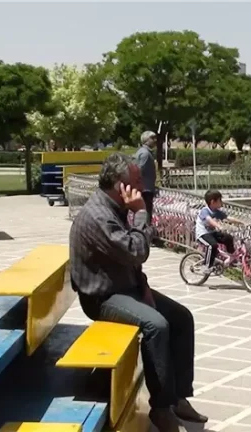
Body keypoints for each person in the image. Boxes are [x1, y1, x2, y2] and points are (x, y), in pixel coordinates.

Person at [69, 153, 206, 432]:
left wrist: (142, 287)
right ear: (120, 186)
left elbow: (132, 255)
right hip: (102, 297)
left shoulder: (113, 208)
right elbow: (137, 251)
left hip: (126, 286)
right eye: (136, 180)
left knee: (182, 317)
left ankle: (179, 396)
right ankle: (162, 407)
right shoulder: (98, 216)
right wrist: (141, 212)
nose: (142, 185)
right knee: (156, 325)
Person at [195, 190, 244, 274]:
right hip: (202, 234)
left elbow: (228, 218)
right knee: (212, 245)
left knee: (228, 238)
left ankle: (232, 258)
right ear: (213, 202)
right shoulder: (205, 211)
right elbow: (209, 220)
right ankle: (206, 266)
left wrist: (242, 223)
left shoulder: (217, 212)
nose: (221, 202)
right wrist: (219, 226)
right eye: (219, 200)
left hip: (212, 233)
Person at [135, 131, 158, 224]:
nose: (155, 140)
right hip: (145, 190)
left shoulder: (142, 152)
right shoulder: (145, 154)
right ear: (146, 140)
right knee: (146, 214)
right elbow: (139, 170)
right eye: (152, 138)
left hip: (145, 188)